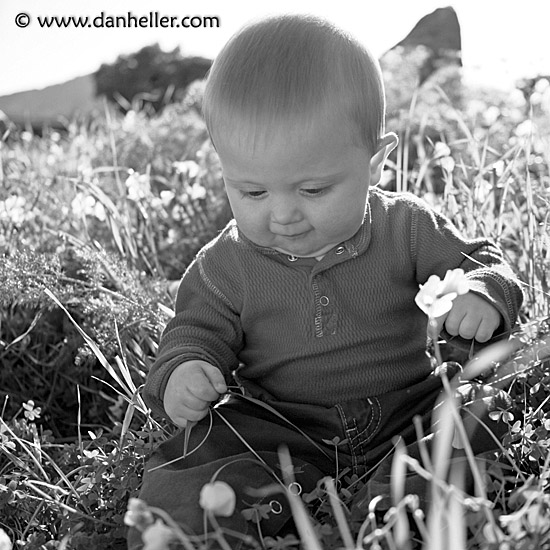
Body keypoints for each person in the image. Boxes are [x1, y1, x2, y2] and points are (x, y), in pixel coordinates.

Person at [128, 14, 523, 549]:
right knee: (196, 470)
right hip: (283, 428)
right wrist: (186, 370)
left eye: (313, 190)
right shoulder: (224, 265)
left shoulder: (405, 226)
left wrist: (482, 292)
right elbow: (194, 330)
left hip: (408, 411)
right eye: (253, 192)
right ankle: (232, 523)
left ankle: (392, 507)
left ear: (376, 162)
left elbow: (481, 260)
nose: (283, 215)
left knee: (482, 415)